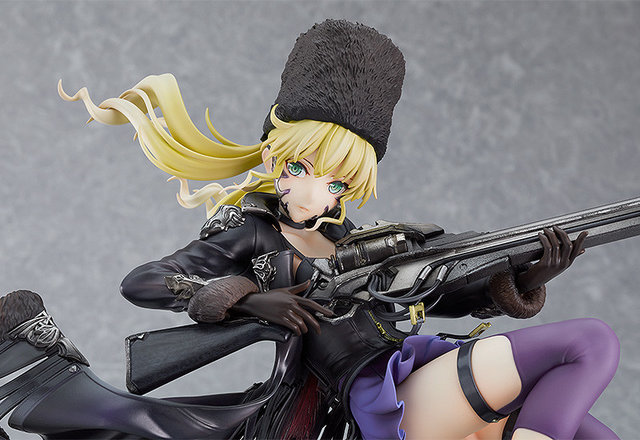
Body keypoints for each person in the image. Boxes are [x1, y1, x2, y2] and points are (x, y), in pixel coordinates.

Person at [0, 20, 620, 440]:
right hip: (377, 392)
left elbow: (434, 294)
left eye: (336, 182)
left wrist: (520, 279)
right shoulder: (251, 233)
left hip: (412, 368)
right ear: (274, 156)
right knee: (589, 342)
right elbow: (146, 281)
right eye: (298, 168)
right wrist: (247, 298)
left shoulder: (360, 244)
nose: (313, 190)